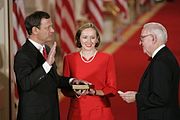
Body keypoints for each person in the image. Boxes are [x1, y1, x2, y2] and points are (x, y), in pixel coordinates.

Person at [14, 11, 89, 120]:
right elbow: (25, 84)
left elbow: (54, 79)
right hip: (34, 116)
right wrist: (47, 64)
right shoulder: (23, 54)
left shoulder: (47, 50)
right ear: (35, 30)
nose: (52, 30)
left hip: (51, 113)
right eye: (48, 27)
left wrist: (72, 82)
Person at [119, 22, 180, 120]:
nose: (140, 43)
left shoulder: (161, 62)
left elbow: (161, 98)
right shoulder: (164, 56)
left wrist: (136, 97)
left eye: (142, 38)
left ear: (153, 38)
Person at [62, 23, 117, 120]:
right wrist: (77, 91)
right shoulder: (69, 59)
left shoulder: (107, 58)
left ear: (97, 40)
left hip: (101, 111)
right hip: (77, 112)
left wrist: (95, 92)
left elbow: (112, 89)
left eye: (92, 37)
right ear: (79, 39)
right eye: (85, 37)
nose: (89, 41)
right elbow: (65, 89)